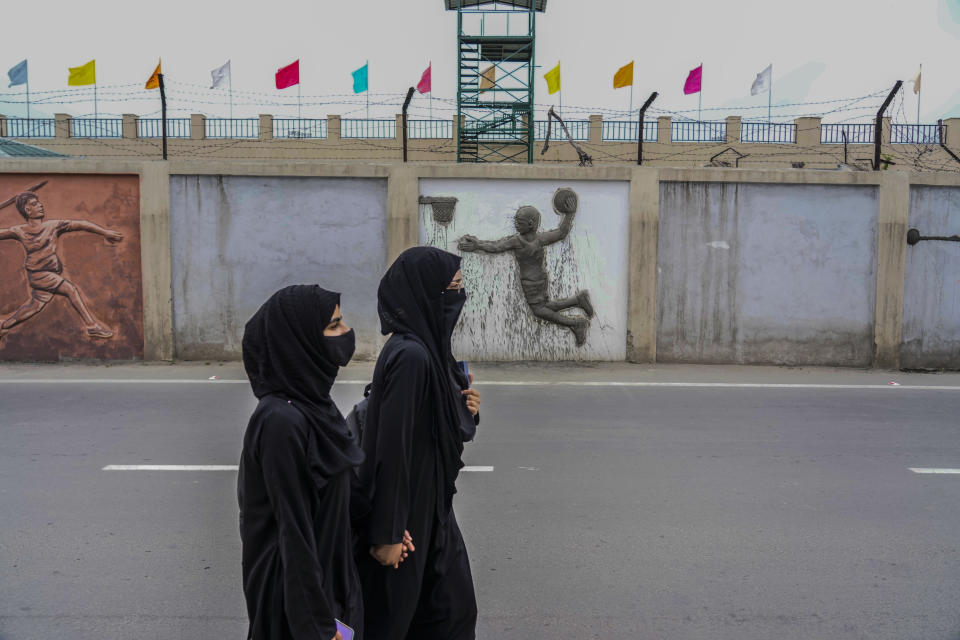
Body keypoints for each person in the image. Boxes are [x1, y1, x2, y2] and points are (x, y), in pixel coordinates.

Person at [240, 285, 393, 640]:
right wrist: (318, 627)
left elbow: (344, 490)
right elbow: (292, 532)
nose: (346, 334)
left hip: (332, 580)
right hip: (298, 602)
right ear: (300, 339)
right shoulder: (281, 421)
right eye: (334, 326)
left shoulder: (314, 406)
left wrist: (382, 528)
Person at [354, 247, 482, 640]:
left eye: (461, 288)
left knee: (451, 613)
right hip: (408, 519)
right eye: (452, 289)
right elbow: (391, 451)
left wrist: (465, 410)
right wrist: (388, 533)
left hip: (433, 509)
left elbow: (433, 427)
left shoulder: (429, 350)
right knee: (396, 621)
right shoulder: (411, 355)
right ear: (426, 295)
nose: (458, 299)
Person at [457, 187, 594, 346]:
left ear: (530, 224)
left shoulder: (517, 241)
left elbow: (496, 247)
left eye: (518, 221)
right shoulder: (540, 239)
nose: (515, 224)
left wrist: (477, 245)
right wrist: (570, 215)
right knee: (545, 307)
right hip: (541, 280)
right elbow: (561, 232)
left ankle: (575, 324)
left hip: (530, 283)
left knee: (539, 310)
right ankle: (578, 300)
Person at [0, 189, 122, 343]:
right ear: (27, 210)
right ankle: (92, 326)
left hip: (47, 274)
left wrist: (105, 232)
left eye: (39, 202)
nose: (40, 206)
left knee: (33, 307)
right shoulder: (18, 231)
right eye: (34, 204)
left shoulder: (53, 226)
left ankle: (4, 324)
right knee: (70, 290)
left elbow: (81, 224)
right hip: (39, 274)